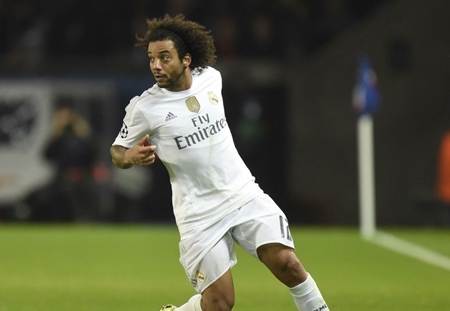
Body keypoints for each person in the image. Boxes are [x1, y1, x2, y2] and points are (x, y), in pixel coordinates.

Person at [110, 14, 329, 311]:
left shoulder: (211, 78)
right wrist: (129, 157)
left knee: (288, 263)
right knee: (220, 304)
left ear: (186, 59)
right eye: (151, 58)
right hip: (199, 215)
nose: (156, 66)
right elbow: (117, 152)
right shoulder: (145, 108)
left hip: (242, 194)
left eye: (164, 57)